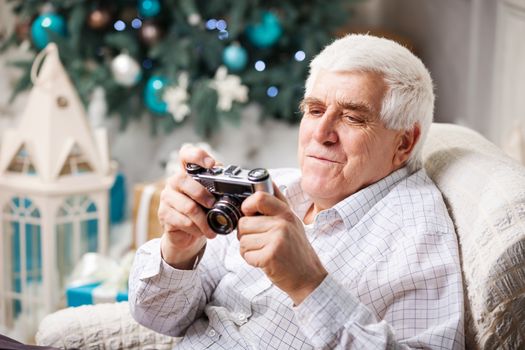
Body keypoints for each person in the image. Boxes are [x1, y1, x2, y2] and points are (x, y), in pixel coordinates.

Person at [129, 34, 464, 349]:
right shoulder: (272, 187)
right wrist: (179, 251)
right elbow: (160, 318)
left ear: (403, 142)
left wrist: (308, 284)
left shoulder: (419, 237)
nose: (320, 133)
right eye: (315, 110)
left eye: (351, 118)